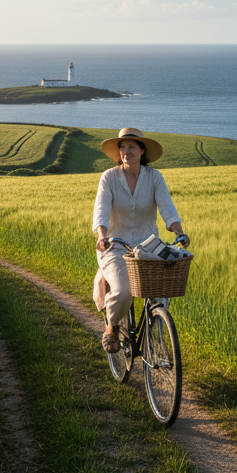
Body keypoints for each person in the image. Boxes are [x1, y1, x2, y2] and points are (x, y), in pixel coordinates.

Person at [91, 128, 188, 353]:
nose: (126, 151)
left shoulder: (154, 177)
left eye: (131, 147)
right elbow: (101, 210)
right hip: (115, 245)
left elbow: (167, 207)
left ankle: (157, 336)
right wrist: (102, 236)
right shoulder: (109, 177)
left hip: (148, 245)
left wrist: (179, 232)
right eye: (122, 147)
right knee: (123, 290)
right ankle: (113, 325)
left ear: (142, 151)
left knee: (160, 292)